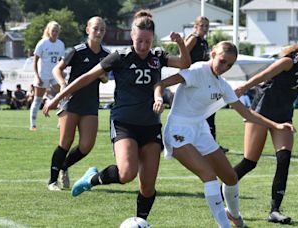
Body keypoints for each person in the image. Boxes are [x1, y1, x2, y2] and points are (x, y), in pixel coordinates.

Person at [43, 10, 191, 220]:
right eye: (139, 40)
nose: (143, 46)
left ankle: (141, 222)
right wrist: (58, 97)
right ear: (132, 35)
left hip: (150, 126)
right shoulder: (119, 57)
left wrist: (181, 44)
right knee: (127, 174)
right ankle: (92, 179)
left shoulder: (158, 57)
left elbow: (185, 64)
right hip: (124, 124)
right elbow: (86, 77)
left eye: (147, 41)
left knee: (148, 186)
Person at [154, 41, 295, 228]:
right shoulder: (198, 70)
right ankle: (224, 225)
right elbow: (161, 83)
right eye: (222, 61)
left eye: (229, 65)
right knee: (209, 176)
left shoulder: (222, 84)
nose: (225, 67)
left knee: (230, 177)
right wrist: (157, 97)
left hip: (200, 130)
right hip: (179, 130)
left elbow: (246, 113)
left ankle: (234, 216)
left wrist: (276, 126)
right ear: (213, 54)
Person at [233, 29, 298, 224]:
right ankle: (219, 189)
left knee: (284, 159)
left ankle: (274, 210)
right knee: (250, 162)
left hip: (284, 116)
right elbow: (264, 75)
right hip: (262, 111)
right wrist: (243, 88)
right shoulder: (288, 61)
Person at [45, 16, 110, 191]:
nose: (98, 32)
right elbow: (56, 69)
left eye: (102, 29)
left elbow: (105, 78)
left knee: (87, 145)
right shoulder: (77, 50)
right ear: (87, 30)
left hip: (90, 104)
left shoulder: (107, 55)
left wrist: (103, 77)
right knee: (65, 142)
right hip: (71, 102)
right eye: (95, 28)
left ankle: (64, 166)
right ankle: (52, 181)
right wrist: (63, 85)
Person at [184, 16, 229, 153]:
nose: (204, 28)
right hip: (195, 80)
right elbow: (182, 54)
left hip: (205, 80)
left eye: (206, 26)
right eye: (202, 25)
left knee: (210, 111)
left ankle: (211, 144)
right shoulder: (193, 39)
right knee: (203, 112)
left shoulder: (204, 42)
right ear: (196, 26)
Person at [29, 21, 65, 131]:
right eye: (53, 31)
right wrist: (37, 76)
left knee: (62, 97)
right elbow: (35, 61)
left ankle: (61, 122)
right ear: (48, 31)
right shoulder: (42, 43)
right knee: (37, 100)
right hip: (43, 75)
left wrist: (62, 72)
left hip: (55, 75)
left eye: (56, 31)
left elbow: (61, 60)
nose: (54, 33)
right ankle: (33, 124)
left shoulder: (60, 44)